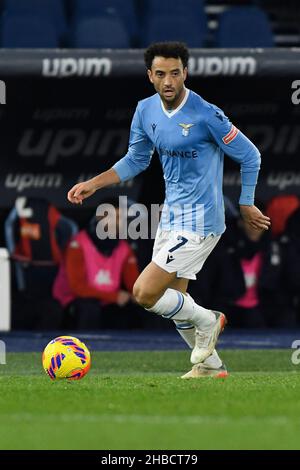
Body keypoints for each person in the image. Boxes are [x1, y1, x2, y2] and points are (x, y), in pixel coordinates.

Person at [67, 42, 271, 378]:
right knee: (176, 303)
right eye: (160, 73)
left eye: (175, 73)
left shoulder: (207, 114)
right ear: (150, 75)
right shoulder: (145, 110)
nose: (168, 81)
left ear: (185, 73)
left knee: (144, 293)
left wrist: (246, 201)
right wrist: (94, 183)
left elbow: (250, 155)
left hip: (202, 221)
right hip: (169, 218)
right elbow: (136, 159)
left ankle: (210, 320)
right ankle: (210, 367)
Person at [53, 201, 140, 330]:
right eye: (116, 217)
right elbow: (77, 287)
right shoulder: (77, 244)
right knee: (89, 308)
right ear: (100, 217)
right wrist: (114, 296)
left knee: (143, 307)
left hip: (108, 300)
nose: (120, 223)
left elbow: (133, 284)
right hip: (75, 299)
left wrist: (140, 296)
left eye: (122, 219)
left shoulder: (124, 247)